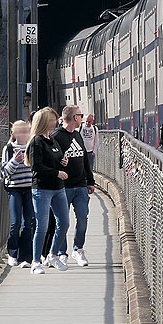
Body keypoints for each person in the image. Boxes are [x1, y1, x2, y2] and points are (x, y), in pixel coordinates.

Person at [27, 106, 69, 275]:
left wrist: (62, 163)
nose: (56, 122)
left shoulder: (53, 140)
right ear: (44, 122)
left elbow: (55, 159)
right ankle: (35, 261)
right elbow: (36, 167)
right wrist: (56, 172)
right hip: (42, 188)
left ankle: (52, 254)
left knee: (64, 223)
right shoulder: (36, 141)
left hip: (58, 188)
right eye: (53, 120)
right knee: (42, 226)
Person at [54, 105, 96, 267]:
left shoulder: (78, 135)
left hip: (80, 185)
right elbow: (52, 159)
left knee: (83, 218)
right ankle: (61, 252)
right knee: (62, 222)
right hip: (63, 187)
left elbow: (85, 159)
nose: (83, 118)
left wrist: (90, 181)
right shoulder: (56, 136)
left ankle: (78, 249)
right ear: (74, 118)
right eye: (80, 115)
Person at [1, 120, 35, 268]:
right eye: (20, 131)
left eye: (26, 131)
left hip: (30, 188)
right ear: (14, 133)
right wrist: (15, 161)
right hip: (15, 188)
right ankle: (12, 253)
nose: (23, 134)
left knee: (29, 223)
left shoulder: (32, 147)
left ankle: (25, 256)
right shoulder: (8, 149)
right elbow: (4, 172)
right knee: (16, 223)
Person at [82, 110, 99, 179]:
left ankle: (89, 183)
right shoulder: (80, 128)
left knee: (90, 170)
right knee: (82, 170)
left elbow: (96, 141)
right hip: (82, 153)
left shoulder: (94, 129)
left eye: (89, 121)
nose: (87, 123)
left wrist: (94, 152)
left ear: (92, 121)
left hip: (90, 153)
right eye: (86, 121)